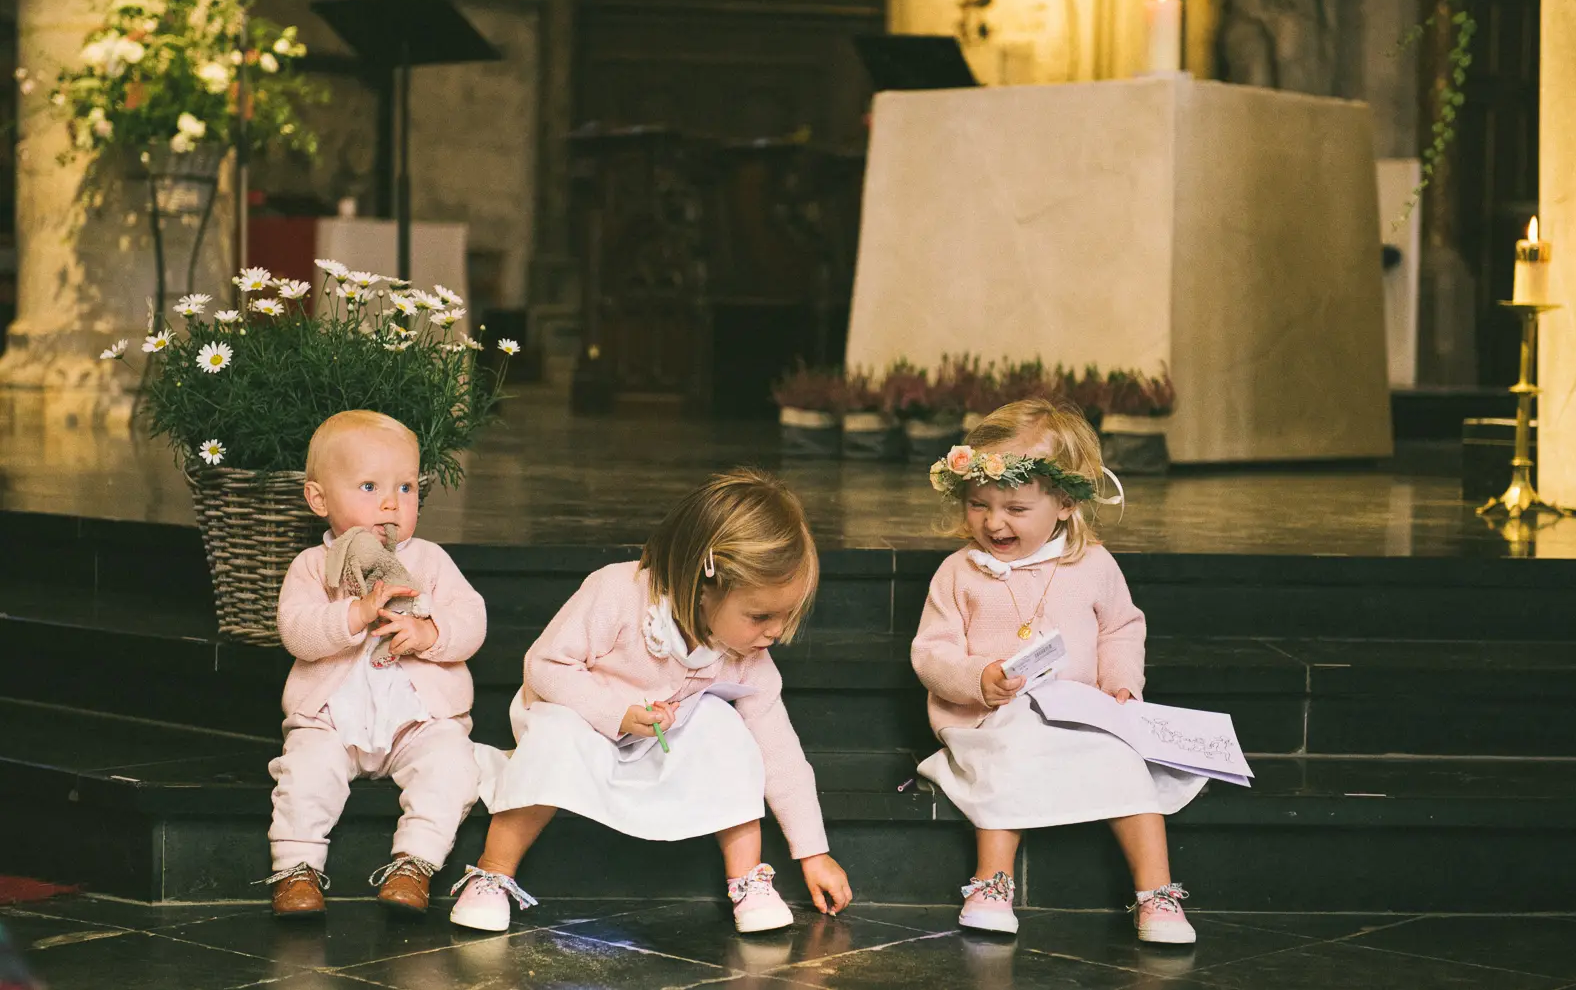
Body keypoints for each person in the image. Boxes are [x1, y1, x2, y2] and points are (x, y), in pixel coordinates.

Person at [450, 469, 853, 934]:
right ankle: (493, 873)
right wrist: (615, 712)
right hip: (584, 722)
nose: (776, 632)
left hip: (660, 743)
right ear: (702, 585)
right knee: (555, 736)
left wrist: (813, 851)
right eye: (760, 615)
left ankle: (748, 879)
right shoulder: (618, 592)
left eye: (787, 616)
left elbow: (780, 753)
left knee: (728, 727)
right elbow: (544, 667)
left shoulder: (747, 655)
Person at [911, 399, 1204, 943]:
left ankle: (1157, 893)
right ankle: (991, 880)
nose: (993, 522)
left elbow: (1121, 627)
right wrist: (979, 678)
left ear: (1065, 502)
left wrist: (1121, 684)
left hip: (1079, 710)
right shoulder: (959, 572)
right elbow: (931, 652)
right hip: (990, 715)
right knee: (1012, 750)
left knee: (1122, 761)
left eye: (1015, 509)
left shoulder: (1092, 564)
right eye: (978, 504)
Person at [265, 410, 485, 918]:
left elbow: (471, 620)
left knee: (452, 766)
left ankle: (414, 865)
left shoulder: (429, 561)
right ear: (318, 499)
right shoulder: (312, 567)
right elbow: (296, 630)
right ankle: (295, 871)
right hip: (331, 721)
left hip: (417, 722)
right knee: (304, 773)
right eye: (369, 486)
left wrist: (430, 633)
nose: (391, 502)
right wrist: (354, 613)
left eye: (405, 488)